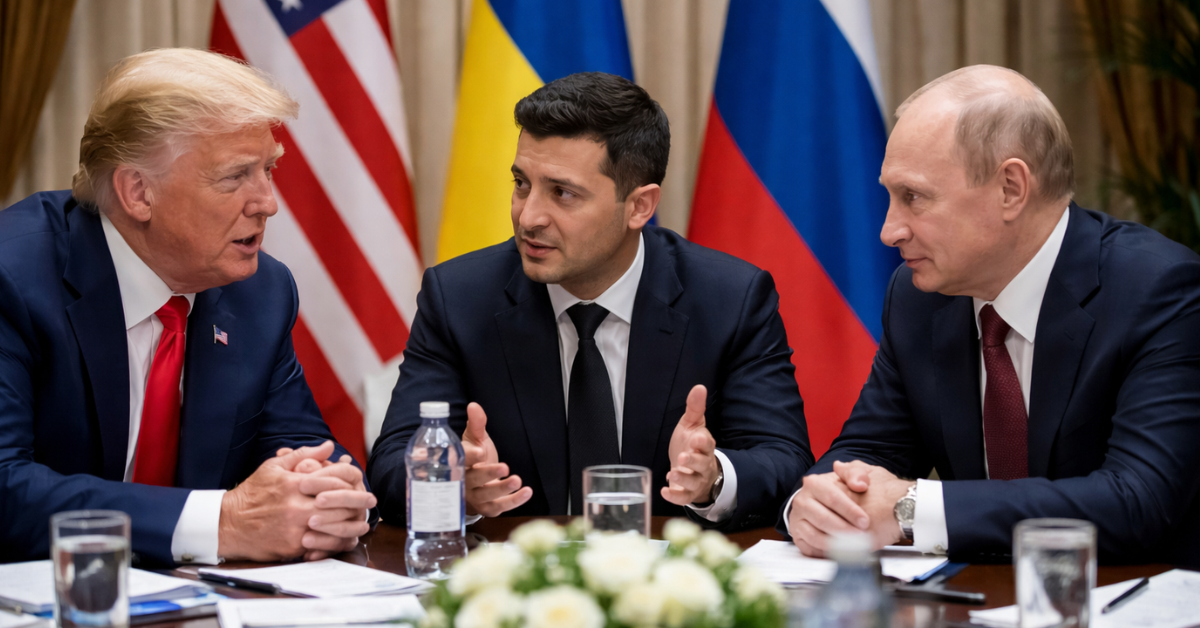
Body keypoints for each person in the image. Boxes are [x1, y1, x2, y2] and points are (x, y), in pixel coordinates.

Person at [783, 65, 1200, 567]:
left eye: (913, 197)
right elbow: (868, 452)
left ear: (1010, 189)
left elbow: (1138, 500)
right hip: (976, 597)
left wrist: (910, 508)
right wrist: (818, 503)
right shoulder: (918, 297)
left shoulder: (1156, 290)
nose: (889, 231)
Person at [369, 72, 811, 531]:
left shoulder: (729, 299)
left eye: (562, 193)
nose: (528, 217)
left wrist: (713, 477)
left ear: (639, 206)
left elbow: (784, 459)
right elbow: (391, 461)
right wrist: (454, 483)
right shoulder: (460, 297)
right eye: (522, 183)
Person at [0, 49, 376, 567]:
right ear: (138, 192)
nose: (267, 203)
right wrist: (223, 523)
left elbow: (297, 445)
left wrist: (327, 494)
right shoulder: (15, 277)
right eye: (235, 176)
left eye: (268, 169)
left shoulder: (260, 291)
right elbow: (6, 485)